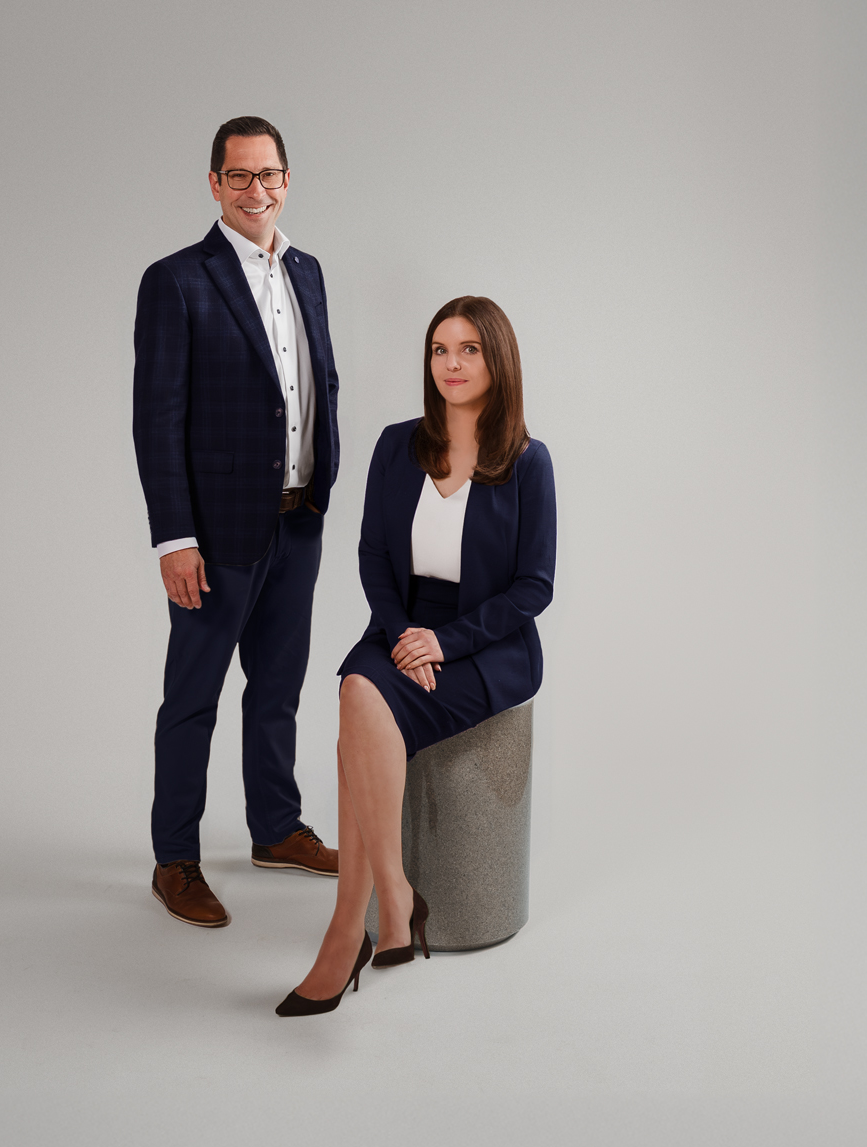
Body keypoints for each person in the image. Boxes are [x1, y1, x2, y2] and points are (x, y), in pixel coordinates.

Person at [275, 295, 557, 1016]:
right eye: (439, 349)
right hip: (404, 625)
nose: (451, 364)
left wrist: (447, 641)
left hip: (488, 643)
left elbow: (535, 586)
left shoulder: (528, 462)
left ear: (498, 360)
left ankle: (353, 932)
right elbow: (372, 555)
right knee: (356, 691)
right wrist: (404, 633)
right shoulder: (398, 445)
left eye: (468, 349)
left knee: (356, 721)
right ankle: (389, 899)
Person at [131, 116, 343, 928]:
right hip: (215, 533)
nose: (259, 190)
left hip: (298, 519)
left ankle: (276, 828)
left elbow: (315, 383)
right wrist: (173, 537)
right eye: (241, 176)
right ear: (215, 185)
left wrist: (321, 489)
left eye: (271, 174)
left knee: (280, 687)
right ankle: (174, 858)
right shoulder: (177, 281)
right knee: (193, 696)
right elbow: (159, 417)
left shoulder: (311, 272)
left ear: (288, 180)